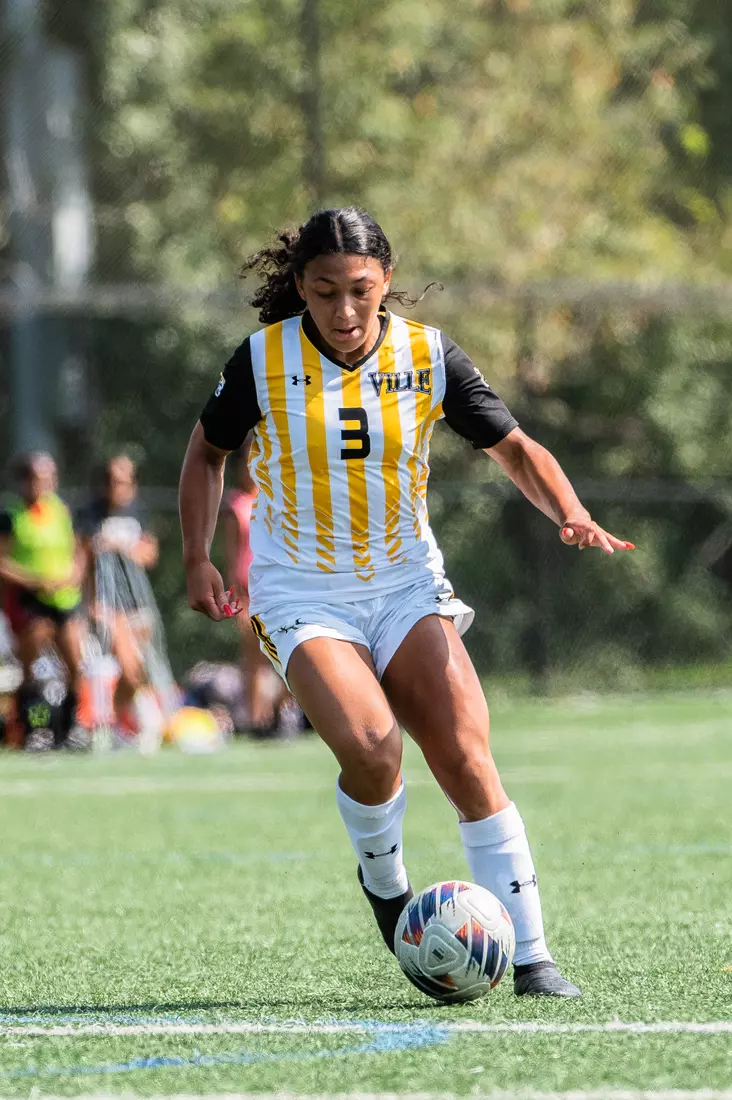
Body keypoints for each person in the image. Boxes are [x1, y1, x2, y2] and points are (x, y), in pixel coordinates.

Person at [180, 207, 635, 997]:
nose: (345, 311)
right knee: (373, 745)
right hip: (303, 590)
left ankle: (532, 957)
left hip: (405, 582)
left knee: (465, 755)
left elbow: (514, 448)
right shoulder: (262, 359)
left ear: (386, 280)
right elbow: (207, 453)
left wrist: (571, 510)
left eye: (360, 290)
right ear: (300, 288)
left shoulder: (429, 357)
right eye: (324, 293)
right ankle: (386, 885)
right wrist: (197, 556)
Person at [0, 452, 84, 747]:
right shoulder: (11, 515)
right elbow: (3, 562)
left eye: (49, 478)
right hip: (28, 601)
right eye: (37, 478)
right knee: (32, 666)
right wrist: (35, 580)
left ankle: (71, 727)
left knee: (75, 662)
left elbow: (77, 551)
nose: (44, 484)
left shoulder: (60, 510)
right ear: (24, 480)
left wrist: (74, 573)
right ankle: (36, 728)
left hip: (64, 599)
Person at [76, 455, 163, 739]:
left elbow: (149, 555)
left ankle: (117, 726)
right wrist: (89, 603)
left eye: (125, 481)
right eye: (113, 481)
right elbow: (82, 564)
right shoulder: (90, 514)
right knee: (128, 664)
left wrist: (123, 546)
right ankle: (135, 725)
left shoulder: (138, 512)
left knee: (137, 672)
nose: (118, 487)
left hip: (137, 602)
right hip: (107, 604)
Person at [222, 439, 279, 732]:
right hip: (249, 590)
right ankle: (256, 719)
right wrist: (238, 600)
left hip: (276, 585)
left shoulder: (273, 499)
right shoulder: (236, 504)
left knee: (283, 654)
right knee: (254, 657)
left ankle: (279, 715)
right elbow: (233, 556)